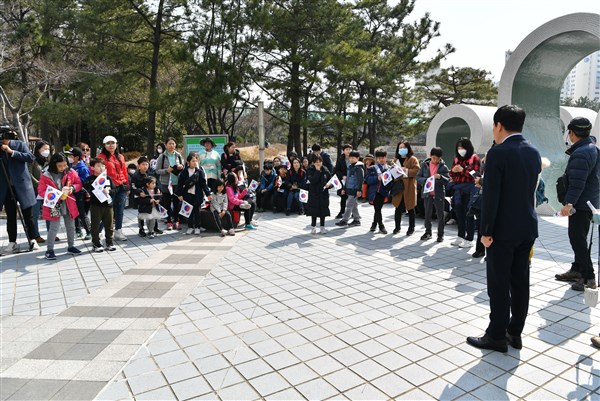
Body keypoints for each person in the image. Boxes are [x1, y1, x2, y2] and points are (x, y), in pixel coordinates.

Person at [467, 105, 541, 353]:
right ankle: (515, 332)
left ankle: (496, 335)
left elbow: (492, 196)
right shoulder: (533, 152)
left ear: (499, 125)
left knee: (498, 284)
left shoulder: (498, 153)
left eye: (493, 127)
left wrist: (485, 231)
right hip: (527, 227)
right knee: (520, 283)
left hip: (502, 230)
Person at [555, 117, 600, 291]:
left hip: (581, 204)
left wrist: (569, 203)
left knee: (577, 240)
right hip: (588, 201)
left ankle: (589, 277)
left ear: (572, 133)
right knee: (579, 237)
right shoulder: (592, 149)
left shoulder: (581, 152)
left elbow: (577, 182)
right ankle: (576, 270)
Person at [38, 153, 83, 260]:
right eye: (60, 166)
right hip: (54, 204)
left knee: (71, 226)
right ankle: (49, 250)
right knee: (54, 227)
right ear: (54, 165)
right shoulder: (46, 175)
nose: (63, 168)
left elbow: (79, 183)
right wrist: (54, 195)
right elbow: (41, 190)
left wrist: (72, 188)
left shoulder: (70, 172)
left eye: (65, 165)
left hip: (68, 203)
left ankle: (71, 246)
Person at [0, 126, 38, 254]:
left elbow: (30, 157)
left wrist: (11, 152)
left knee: (28, 214)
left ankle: (33, 239)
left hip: (22, 185)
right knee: (11, 215)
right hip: (6, 187)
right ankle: (12, 242)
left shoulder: (19, 144)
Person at [449, 137, 481, 249]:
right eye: (458, 147)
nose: (460, 150)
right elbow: (452, 174)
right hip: (458, 189)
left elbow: (476, 174)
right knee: (459, 213)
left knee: (469, 213)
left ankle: (469, 239)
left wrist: (462, 170)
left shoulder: (474, 158)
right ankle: (460, 236)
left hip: (471, 189)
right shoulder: (457, 159)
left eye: (462, 147)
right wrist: (453, 171)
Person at [97, 135, 130, 240]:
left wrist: (127, 185)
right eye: (108, 143)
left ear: (116, 144)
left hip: (121, 186)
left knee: (120, 210)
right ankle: (99, 232)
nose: (111, 145)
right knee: (106, 211)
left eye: (113, 143)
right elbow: (97, 173)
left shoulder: (120, 157)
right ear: (104, 145)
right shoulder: (101, 157)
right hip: (109, 188)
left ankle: (118, 231)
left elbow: (124, 171)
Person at [416, 147, 449, 242]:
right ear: (430, 156)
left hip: (438, 194)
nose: (435, 160)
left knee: (440, 214)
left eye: (438, 159)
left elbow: (447, 181)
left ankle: (440, 234)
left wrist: (440, 177)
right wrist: (426, 180)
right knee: (427, 214)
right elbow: (418, 177)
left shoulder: (443, 167)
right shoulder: (424, 165)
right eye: (434, 158)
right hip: (427, 193)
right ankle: (428, 232)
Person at [84, 158, 116, 252]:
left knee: (109, 225)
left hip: (108, 205)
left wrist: (109, 191)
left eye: (103, 166)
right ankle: (96, 243)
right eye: (98, 166)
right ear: (92, 168)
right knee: (95, 225)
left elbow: (114, 190)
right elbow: (85, 188)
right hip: (96, 206)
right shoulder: (89, 179)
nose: (101, 168)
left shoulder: (108, 178)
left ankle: (109, 242)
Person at [176, 152, 212, 236]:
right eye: (193, 161)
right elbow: (180, 184)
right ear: (188, 162)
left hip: (197, 194)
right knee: (189, 211)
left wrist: (208, 194)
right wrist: (180, 194)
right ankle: (190, 227)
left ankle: (197, 227)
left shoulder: (200, 172)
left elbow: (204, 184)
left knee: (197, 211)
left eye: (196, 161)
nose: (195, 162)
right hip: (187, 195)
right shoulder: (184, 172)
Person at [155, 137, 185, 230]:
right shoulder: (162, 156)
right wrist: (166, 170)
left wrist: (181, 166)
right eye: (170, 144)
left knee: (176, 203)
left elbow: (183, 167)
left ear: (175, 145)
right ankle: (168, 221)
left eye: (173, 143)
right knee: (167, 203)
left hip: (176, 182)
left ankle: (176, 220)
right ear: (166, 145)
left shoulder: (178, 155)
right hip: (166, 183)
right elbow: (157, 171)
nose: (172, 145)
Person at [391, 140, 419, 235]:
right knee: (398, 207)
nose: (402, 149)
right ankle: (397, 227)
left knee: (410, 208)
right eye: (400, 147)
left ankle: (411, 228)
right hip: (399, 187)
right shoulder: (395, 160)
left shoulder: (413, 159)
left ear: (408, 148)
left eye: (404, 147)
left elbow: (416, 171)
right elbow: (392, 172)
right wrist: (395, 171)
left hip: (409, 187)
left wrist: (406, 170)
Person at [66, 147, 91, 240]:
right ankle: (78, 230)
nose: (68, 157)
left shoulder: (82, 168)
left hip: (80, 193)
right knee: (73, 211)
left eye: (70, 155)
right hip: (71, 193)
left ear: (76, 157)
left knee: (82, 213)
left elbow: (86, 181)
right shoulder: (69, 166)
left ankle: (89, 231)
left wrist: (75, 182)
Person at [29, 140, 51, 243]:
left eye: (48, 149)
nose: (46, 151)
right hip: (35, 191)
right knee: (35, 213)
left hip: (47, 191)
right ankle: (36, 235)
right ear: (38, 150)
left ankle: (51, 233)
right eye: (44, 149)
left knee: (49, 212)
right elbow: (29, 175)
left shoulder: (48, 161)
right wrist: (39, 184)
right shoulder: (32, 161)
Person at [336, 150, 363, 227]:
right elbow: (347, 179)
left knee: (349, 205)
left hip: (354, 189)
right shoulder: (350, 167)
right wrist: (344, 188)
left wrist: (359, 190)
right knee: (353, 205)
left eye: (353, 158)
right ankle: (356, 220)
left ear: (357, 158)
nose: (351, 159)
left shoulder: (359, 168)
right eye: (350, 158)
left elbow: (361, 180)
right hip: (349, 188)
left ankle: (345, 220)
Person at [306, 154, 332, 234]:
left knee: (323, 210)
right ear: (313, 162)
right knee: (314, 210)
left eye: (320, 161)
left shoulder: (325, 169)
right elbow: (313, 180)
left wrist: (329, 185)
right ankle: (313, 227)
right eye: (316, 162)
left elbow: (330, 181)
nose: (318, 163)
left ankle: (322, 226)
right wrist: (317, 171)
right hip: (314, 194)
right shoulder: (310, 170)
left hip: (323, 194)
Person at [365, 152, 390, 234]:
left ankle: (374, 224)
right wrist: (377, 178)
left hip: (383, 192)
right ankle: (381, 226)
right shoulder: (372, 168)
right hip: (375, 192)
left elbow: (391, 182)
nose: (381, 160)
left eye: (383, 158)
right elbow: (368, 180)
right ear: (376, 159)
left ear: (386, 158)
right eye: (379, 158)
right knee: (377, 209)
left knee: (378, 209)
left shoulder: (389, 168)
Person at [333, 144, 352, 218]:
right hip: (343, 180)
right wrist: (342, 176)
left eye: (350, 149)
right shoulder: (340, 159)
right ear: (343, 151)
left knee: (352, 196)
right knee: (343, 196)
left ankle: (353, 212)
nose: (348, 151)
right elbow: (336, 170)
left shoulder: (354, 158)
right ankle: (342, 211)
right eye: (346, 149)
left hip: (352, 179)